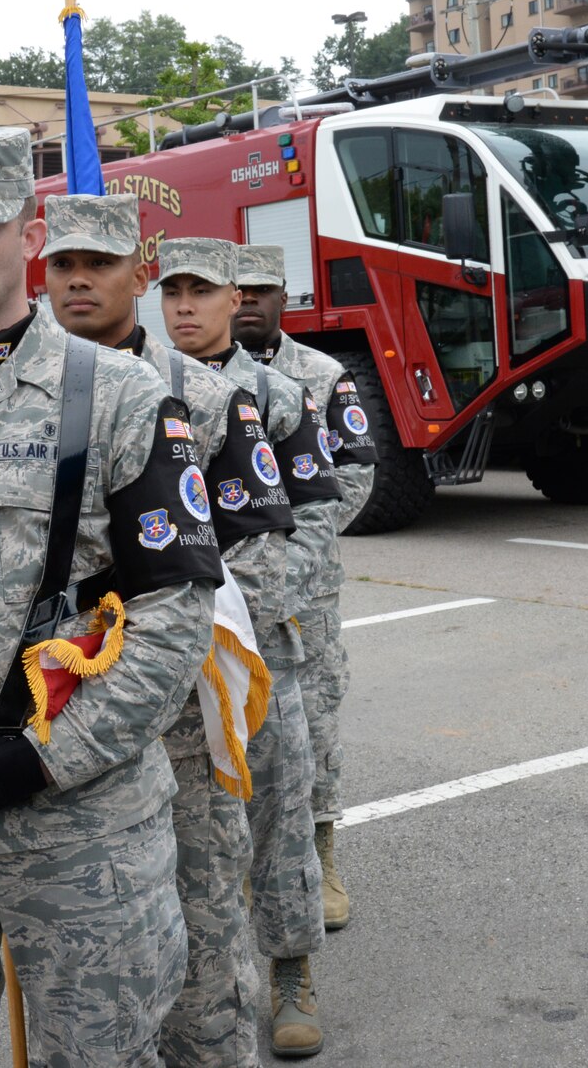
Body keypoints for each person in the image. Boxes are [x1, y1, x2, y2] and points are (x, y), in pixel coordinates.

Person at [0, 128, 223, 1068]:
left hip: (84, 818)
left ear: (27, 236)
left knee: (101, 1051)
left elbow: (172, 620)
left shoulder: (119, 396)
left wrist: (42, 757)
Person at [41, 194, 293, 1068]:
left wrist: (144, 629)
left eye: (99, 263)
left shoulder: (211, 398)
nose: (79, 280)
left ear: (133, 277)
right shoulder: (23, 391)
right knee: (88, 945)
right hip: (51, 710)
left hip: (181, 708)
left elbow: (253, 559)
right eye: (62, 264)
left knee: (203, 904)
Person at [158, 236, 339, 1059]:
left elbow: (312, 523)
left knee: (278, 811)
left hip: (261, 647)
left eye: (202, 290)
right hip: (165, 664)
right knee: (187, 837)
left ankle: (292, 969)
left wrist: (233, 623)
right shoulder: (142, 388)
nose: (184, 305)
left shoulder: (280, 394)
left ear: (237, 297)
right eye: (173, 290)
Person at [233, 245, 377, 932]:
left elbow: (354, 475)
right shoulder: (192, 379)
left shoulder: (321, 376)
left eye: (264, 289)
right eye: (241, 289)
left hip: (304, 591)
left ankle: (321, 852)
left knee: (313, 722)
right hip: (224, 590)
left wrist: (285, 559)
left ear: (284, 298)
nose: (251, 301)